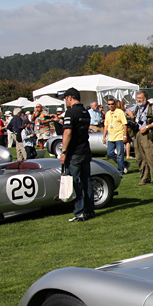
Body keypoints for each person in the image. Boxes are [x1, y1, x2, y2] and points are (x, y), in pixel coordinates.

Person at [59, 88, 94, 222]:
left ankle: (79, 211)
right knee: (87, 181)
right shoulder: (86, 112)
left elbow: (67, 132)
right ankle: (89, 209)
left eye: (65, 98)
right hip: (85, 149)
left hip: (74, 152)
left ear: (69, 98)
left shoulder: (70, 112)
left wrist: (63, 152)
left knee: (75, 182)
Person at [132, 91, 153, 185]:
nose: (139, 100)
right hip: (138, 134)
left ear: (145, 98)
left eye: (140, 98)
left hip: (148, 134)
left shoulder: (152, 107)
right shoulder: (137, 108)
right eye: (137, 98)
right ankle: (144, 178)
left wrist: (147, 127)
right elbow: (126, 110)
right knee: (140, 157)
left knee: (150, 156)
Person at [103, 96, 128, 175]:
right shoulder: (107, 114)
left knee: (120, 154)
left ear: (115, 104)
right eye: (109, 104)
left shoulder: (120, 112)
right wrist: (104, 136)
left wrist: (125, 135)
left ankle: (120, 170)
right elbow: (106, 126)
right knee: (110, 153)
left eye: (112, 104)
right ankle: (124, 164)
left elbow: (125, 124)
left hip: (119, 136)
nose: (111, 106)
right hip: (111, 137)